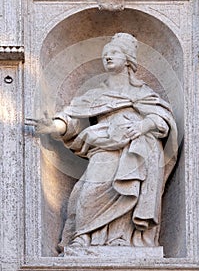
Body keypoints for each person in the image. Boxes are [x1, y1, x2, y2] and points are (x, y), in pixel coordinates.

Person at [34, 33, 178, 252]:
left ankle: (123, 238)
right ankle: (83, 237)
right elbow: (72, 117)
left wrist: (142, 126)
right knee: (89, 191)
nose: (108, 57)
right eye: (105, 54)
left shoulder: (143, 93)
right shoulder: (96, 94)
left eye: (114, 53)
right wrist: (55, 127)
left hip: (138, 148)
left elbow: (162, 119)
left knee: (129, 189)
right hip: (104, 146)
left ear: (128, 59)